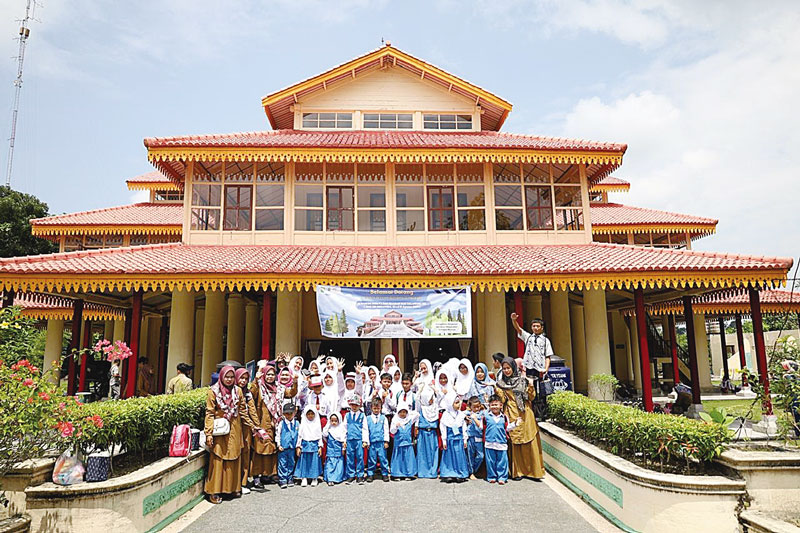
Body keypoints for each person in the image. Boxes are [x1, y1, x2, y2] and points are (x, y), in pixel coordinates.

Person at [203, 365, 257, 504]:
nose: (229, 379)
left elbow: (243, 411)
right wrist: (208, 433)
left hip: (235, 427)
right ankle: (214, 492)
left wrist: (253, 427)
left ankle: (231, 489)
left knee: (234, 457)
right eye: (226, 376)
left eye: (232, 377)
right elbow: (209, 413)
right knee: (219, 459)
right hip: (220, 430)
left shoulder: (237, 391)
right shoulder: (213, 392)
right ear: (221, 377)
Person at [495, 356, 545, 481]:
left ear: (513, 368)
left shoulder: (523, 381)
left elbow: (531, 397)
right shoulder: (501, 383)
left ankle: (534, 472)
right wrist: (497, 389)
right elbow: (502, 400)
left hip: (525, 413)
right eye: (504, 368)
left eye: (508, 368)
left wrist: (532, 385)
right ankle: (517, 472)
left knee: (529, 440)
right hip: (511, 412)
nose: (506, 371)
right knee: (514, 442)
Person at [250, 362, 295, 488]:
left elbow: (291, 393)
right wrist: (255, 380)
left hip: (275, 423)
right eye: (268, 374)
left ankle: (267, 474)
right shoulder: (259, 386)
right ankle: (256, 476)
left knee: (272, 450)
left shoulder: (279, 388)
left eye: (272, 374)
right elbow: (251, 394)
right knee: (260, 449)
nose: (270, 377)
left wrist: (295, 381)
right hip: (262, 422)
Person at [483, 394, 521, 484]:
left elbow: (507, 428)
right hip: (489, 442)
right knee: (490, 461)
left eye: (496, 404)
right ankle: (491, 476)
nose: (494, 407)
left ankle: (502, 477)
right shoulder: (486, 417)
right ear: (489, 406)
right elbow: (482, 427)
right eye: (492, 405)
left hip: (501, 443)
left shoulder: (504, 417)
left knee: (502, 461)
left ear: (501, 405)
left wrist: (515, 424)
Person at [235, 368, 260, 495]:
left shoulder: (248, 394)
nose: (243, 381)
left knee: (245, 454)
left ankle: (243, 482)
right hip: (233, 428)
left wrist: (257, 426)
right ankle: (234, 483)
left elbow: (252, 411)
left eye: (246, 379)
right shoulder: (232, 391)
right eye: (241, 378)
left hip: (246, 429)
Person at [509, 313, 553, 379]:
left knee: (540, 385)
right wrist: (514, 320)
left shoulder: (546, 340)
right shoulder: (528, 337)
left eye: (538, 326)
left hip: (540, 368)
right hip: (529, 367)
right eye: (534, 326)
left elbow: (547, 356)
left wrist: (546, 369)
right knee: (529, 386)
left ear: (542, 328)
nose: (535, 328)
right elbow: (518, 329)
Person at [439, 392, 469, 483]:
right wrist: (444, 440)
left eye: (458, 402)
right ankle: (449, 474)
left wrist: (465, 439)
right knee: (449, 457)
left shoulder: (461, 415)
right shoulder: (446, 415)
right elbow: (443, 428)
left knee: (459, 456)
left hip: (459, 439)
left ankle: (460, 474)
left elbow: (464, 427)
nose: (458, 404)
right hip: (450, 439)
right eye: (456, 403)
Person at [415, 378, 440, 479]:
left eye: (431, 397)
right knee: (422, 453)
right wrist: (420, 390)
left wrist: (434, 389)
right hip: (423, 434)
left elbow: (440, 397)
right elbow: (417, 400)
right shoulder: (422, 408)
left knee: (433, 453)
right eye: (428, 398)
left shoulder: (434, 408)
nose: (431, 400)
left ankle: (432, 472)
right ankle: (422, 472)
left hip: (432, 434)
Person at [295, 405, 323, 487]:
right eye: (308, 414)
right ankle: (304, 478)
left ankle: (314, 478)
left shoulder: (317, 424)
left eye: (312, 414)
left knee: (314, 462)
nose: (310, 416)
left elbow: (319, 436)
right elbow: (300, 436)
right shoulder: (303, 424)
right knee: (304, 462)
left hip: (314, 445)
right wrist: (298, 447)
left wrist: (320, 447)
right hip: (305, 445)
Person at [390, 402, 418, 480]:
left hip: (408, 443)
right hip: (398, 444)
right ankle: (397, 474)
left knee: (408, 459)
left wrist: (409, 410)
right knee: (398, 459)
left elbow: (417, 414)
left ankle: (408, 474)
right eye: (401, 412)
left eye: (404, 412)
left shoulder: (409, 420)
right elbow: (392, 431)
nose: (402, 414)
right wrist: (396, 426)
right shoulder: (395, 420)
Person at [365, 399, 390, 482]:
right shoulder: (368, 418)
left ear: (381, 408)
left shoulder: (383, 418)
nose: (376, 410)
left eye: (378, 408)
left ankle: (385, 473)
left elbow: (386, 430)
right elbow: (366, 431)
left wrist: (386, 441)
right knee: (372, 458)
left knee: (383, 458)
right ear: (371, 408)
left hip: (381, 442)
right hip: (372, 442)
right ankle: (370, 473)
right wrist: (367, 441)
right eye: (374, 408)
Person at [275, 403, 299, 489]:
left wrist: (298, 446)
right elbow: (278, 434)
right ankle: (283, 479)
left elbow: (299, 435)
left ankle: (290, 478)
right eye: (286, 414)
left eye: (290, 413)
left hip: (292, 447)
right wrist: (279, 444)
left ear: (294, 413)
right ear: (283, 414)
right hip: (283, 447)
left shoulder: (297, 423)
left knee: (291, 462)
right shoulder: (281, 423)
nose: (289, 416)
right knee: (282, 463)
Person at [344, 395, 367, 484]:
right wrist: (344, 440)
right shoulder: (347, 415)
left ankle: (360, 475)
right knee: (350, 457)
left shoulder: (362, 415)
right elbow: (344, 428)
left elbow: (365, 429)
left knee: (360, 457)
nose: (354, 407)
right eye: (352, 405)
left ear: (359, 406)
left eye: (356, 405)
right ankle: (351, 475)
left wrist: (365, 440)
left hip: (359, 439)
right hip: (350, 439)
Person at [322, 412, 347, 486]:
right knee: (330, 464)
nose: (334, 423)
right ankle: (330, 479)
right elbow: (324, 435)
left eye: (335, 421)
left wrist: (343, 448)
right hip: (331, 450)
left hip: (338, 450)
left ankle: (337, 478)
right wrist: (327, 425)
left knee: (339, 464)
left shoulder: (341, 429)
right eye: (332, 421)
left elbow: (343, 439)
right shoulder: (329, 429)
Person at [465, 396, 485, 479]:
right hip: (470, 436)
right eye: (474, 407)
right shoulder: (467, 413)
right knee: (470, 455)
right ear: (470, 407)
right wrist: (465, 418)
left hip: (479, 437)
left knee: (480, 456)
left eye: (478, 406)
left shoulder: (483, 414)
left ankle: (475, 470)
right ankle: (471, 472)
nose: (476, 408)